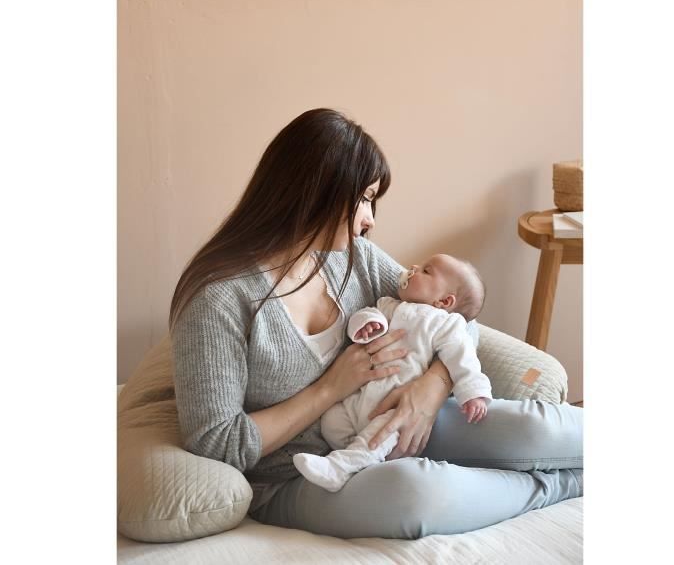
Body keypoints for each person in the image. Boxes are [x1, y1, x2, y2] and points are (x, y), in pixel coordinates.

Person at [170, 108, 583, 539]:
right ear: (319, 191)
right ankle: (564, 486)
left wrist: (431, 389)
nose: (370, 219)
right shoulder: (218, 299)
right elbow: (216, 442)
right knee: (416, 493)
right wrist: (330, 388)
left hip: (392, 423)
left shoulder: (355, 258)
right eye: (365, 199)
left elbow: (455, 317)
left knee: (539, 429)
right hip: (299, 476)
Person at [293, 254, 493, 491]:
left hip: (395, 406)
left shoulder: (445, 324)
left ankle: (340, 467)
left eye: (426, 271)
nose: (414, 267)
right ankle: (360, 460)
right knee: (331, 422)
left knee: (385, 431)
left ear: (444, 301)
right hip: (360, 397)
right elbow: (366, 315)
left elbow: (463, 358)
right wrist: (366, 324)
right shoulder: (389, 305)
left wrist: (474, 393)